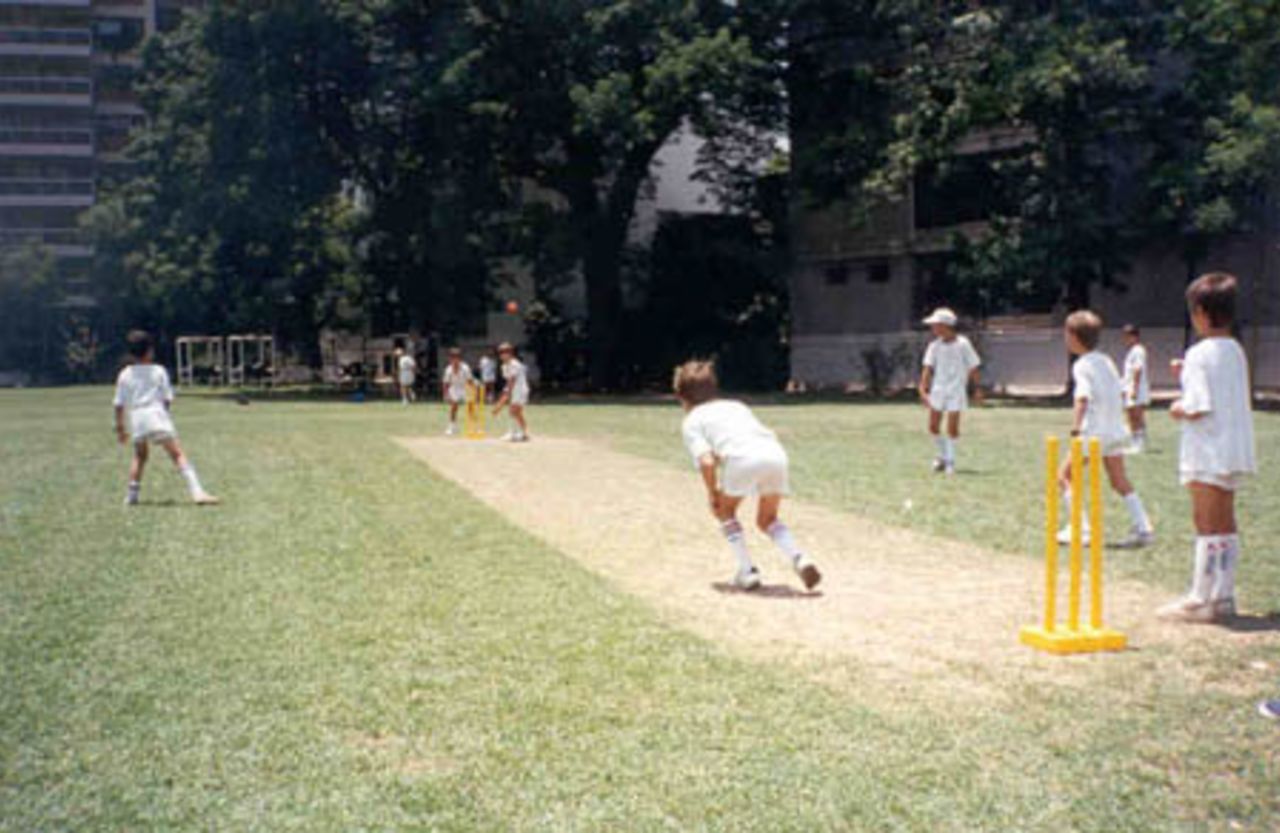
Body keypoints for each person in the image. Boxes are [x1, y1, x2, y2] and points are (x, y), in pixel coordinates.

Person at [1158, 273, 1256, 623]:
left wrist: (1177, 406)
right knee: (1225, 522)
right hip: (1233, 449)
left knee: (1205, 522)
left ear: (1200, 311)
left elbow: (1196, 405)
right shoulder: (1235, 350)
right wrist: (1186, 373)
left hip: (1207, 450)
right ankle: (1223, 595)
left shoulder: (1199, 353)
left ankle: (1200, 597)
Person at [673, 360, 822, 592]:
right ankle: (800, 558)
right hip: (776, 454)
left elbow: (707, 461)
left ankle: (747, 570)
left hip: (744, 460)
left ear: (681, 397)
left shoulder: (692, 420)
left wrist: (713, 493)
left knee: (724, 511)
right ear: (713, 388)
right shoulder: (736, 406)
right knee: (768, 520)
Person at [1060, 311, 1155, 549]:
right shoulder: (1106, 360)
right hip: (1115, 430)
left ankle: (1080, 529)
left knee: (1063, 476)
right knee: (1119, 480)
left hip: (1093, 431)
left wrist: (1075, 429)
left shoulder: (1081, 365)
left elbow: (1082, 397)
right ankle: (1143, 527)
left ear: (1073, 336)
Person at [113, 330, 219, 506]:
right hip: (156, 414)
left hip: (137, 417)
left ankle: (131, 496)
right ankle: (197, 492)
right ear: (150, 351)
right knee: (177, 454)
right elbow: (167, 399)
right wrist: (163, 419)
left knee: (139, 456)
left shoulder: (125, 374)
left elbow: (118, 404)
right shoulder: (158, 371)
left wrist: (120, 429)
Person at [918, 307, 981, 475]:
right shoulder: (934, 346)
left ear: (945, 325)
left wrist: (976, 389)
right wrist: (923, 388)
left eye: (935, 325)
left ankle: (950, 462)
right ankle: (942, 456)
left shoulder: (963, 344)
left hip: (956, 390)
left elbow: (973, 367)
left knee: (952, 428)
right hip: (938, 390)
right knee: (933, 426)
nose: (933, 328)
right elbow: (928, 368)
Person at [492, 342, 530, 442]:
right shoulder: (504, 366)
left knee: (515, 411)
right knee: (515, 412)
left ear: (511, 353)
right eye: (500, 352)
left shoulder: (515, 364)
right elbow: (508, 382)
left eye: (505, 352)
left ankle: (518, 433)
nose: (502, 354)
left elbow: (512, 382)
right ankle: (517, 433)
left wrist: (503, 400)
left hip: (520, 389)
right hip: (514, 389)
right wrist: (504, 396)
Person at [1121, 324, 1150, 452]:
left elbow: (1138, 370)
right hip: (1129, 386)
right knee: (1131, 415)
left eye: (1127, 337)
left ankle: (1139, 443)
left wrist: (1134, 388)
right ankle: (1135, 441)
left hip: (1136, 388)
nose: (1125, 340)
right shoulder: (1132, 351)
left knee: (1136, 415)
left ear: (1134, 336)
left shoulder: (1138, 350)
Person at [440, 347, 472, 436]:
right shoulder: (448, 369)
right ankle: (452, 427)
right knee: (454, 406)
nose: (454, 360)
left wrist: (471, 393)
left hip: (465, 387)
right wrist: (445, 394)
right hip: (454, 387)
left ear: (460, 358)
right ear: (450, 359)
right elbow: (445, 383)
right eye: (452, 358)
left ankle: (471, 426)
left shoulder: (465, 368)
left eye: (456, 357)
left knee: (470, 406)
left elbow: (469, 381)